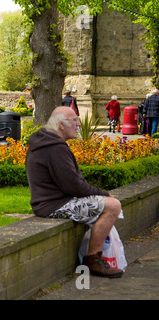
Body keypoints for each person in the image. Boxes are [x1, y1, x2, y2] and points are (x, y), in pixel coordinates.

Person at [25, 107, 124, 278]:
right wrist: (104, 194)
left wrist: (98, 195)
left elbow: (72, 183)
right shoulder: (54, 148)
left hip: (51, 202)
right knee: (113, 206)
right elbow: (73, 185)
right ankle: (92, 259)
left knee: (105, 204)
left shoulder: (47, 142)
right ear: (61, 125)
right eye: (74, 120)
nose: (78, 124)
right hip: (53, 206)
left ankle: (94, 256)